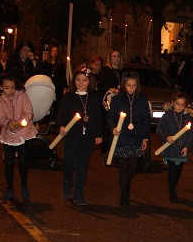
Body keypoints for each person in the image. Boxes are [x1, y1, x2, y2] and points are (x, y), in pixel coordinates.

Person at [56, 67, 103, 206]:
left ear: (90, 81)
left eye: (84, 80)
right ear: (74, 80)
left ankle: (79, 193)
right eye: (78, 80)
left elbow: (97, 117)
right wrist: (61, 126)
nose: (81, 83)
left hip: (87, 137)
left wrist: (98, 134)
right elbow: (61, 114)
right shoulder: (69, 96)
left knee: (82, 165)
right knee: (69, 163)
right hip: (71, 135)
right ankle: (67, 183)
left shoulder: (93, 97)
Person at [107, 70, 151, 206]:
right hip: (122, 137)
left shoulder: (142, 99)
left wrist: (145, 138)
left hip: (136, 136)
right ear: (123, 85)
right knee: (122, 165)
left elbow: (146, 119)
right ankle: (124, 194)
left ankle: (125, 186)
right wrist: (113, 128)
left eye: (134, 85)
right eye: (128, 85)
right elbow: (110, 117)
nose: (131, 88)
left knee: (133, 165)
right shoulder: (117, 99)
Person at [0, 72, 38, 202]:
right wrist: (8, 123)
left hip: (25, 133)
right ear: (1, 87)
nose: (11, 90)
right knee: (9, 163)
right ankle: (9, 188)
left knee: (23, 161)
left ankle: (24, 186)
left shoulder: (22, 96)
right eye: (7, 87)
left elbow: (28, 112)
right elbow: (0, 116)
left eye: (13, 87)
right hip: (9, 135)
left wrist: (21, 121)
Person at [156, 92, 193, 203]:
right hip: (170, 148)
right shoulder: (167, 116)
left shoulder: (187, 117)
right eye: (178, 104)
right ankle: (172, 191)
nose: (180, 107)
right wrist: (166, 136)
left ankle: (173, 187)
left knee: (178, 171)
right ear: (173, 103)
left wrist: (187, 146)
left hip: (181, 149)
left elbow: (191, 133)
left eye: (183, 104)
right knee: (172, 170)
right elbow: (159, 129)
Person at [98, 49, 122, 162]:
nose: (116, 58)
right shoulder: (105, 70)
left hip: (119, 102)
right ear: (110, 58)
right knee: (108, 127)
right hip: (107, 102)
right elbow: (101, 85)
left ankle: (116, 151)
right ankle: (105, 152)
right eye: (114, 56)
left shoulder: (122, 71)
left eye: (118, 56)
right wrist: (109, 89)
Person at [41, 45, 68, 116]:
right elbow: (43, 75)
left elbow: (63, 76)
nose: (54, 52)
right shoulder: (45, 63)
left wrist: (65, 87)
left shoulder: (60, 64)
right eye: (53, 51)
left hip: (58, 87)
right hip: (48, 86)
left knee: (57, 104)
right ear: (50, 52)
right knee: (48, 104)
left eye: (56, 51)